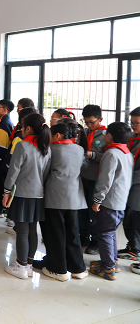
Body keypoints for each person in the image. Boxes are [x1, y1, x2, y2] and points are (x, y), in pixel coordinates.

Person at [34, 121, 89, 281]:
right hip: (74, 198)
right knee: (73, 233)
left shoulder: (51, 150)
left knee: (55, 234)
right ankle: (78, 268)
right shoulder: (79, 149)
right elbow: (85, 168)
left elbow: (44, 172)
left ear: (57, 135)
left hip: (55, 197)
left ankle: (58, 269)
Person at [3, 113, 52, 279]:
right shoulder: (46, 148)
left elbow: (13, 171)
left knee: (22, 232)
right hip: (38, 195)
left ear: (28, 128)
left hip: (22, 194)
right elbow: (45, 174)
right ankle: (29, 265)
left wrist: (6, 191)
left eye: (22, 127)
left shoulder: (22, 146)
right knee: (32, 231)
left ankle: (21, 266)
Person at [89, 122, 134, 281]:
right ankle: (112, 262)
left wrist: (97, 200)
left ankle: (107, 269)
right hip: (120, 200)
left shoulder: (112, 154)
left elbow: (105, 180)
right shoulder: (126, 153)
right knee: (110, 233)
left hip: (110, 201)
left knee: (105, 233)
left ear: (110, 136)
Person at [80, 104, 108, 254]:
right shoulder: (84, 132)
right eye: (86, 122)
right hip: (84, 176)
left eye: (92, 122)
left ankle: (95, 241)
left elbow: (109, 157)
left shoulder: (106, 136)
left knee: (94, 211)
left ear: (100, 119)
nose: (89, 125)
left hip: (96, 179)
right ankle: (83, 235)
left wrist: (93, 155)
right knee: (82, 209)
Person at [120, 106, 140, 261]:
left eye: (136, 123)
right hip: (127, 184)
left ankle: (137, 249)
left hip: (137, 185)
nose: (133, 126)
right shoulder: (132, 138)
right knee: (127, 217)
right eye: (131, 122)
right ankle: (132, 245)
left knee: (135, 218)